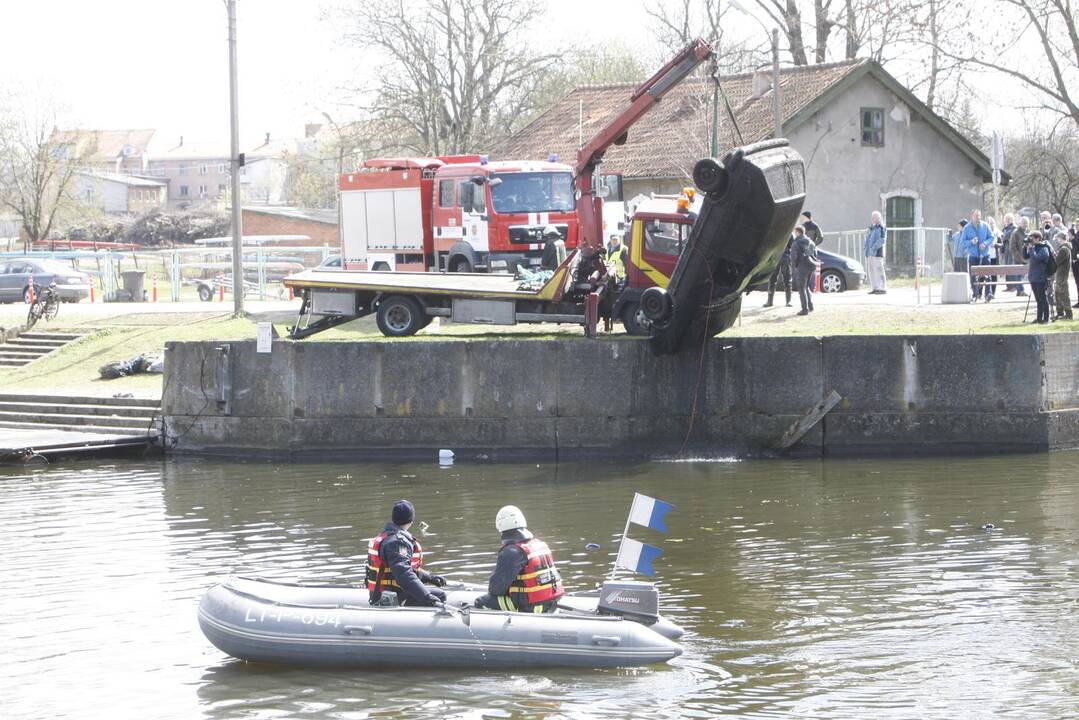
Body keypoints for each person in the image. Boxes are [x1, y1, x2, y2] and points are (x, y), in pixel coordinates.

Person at [473, 505, 564, 614]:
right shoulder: (539, 545)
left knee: (481, 602)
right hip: (552, 602)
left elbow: (495, 589)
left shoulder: (512, 551)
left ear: (500, 526)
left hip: (531, 606)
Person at [366, 500, 447, 607]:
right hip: (391, 597)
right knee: (440, 595)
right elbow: (403, 574)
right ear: (411, 521)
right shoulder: (397, 542)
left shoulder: (387, 536)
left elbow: (400, 568)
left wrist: (429, 577)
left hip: (382, 593)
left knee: (433, 594)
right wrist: (426, 596)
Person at [958, 209, 994, 302]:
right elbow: (962, 243)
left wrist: (985, 243)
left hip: (985, 255)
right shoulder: (967, 228)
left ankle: (988, 294)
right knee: (974, 276)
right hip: (973, 256)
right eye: (976, 216)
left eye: (979, 216)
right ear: (972, 216)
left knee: (987, 275)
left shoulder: (985, 225)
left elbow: (991, 237)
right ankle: (976, 294)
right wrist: (971, 242)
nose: (978, 218)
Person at [1023, 231, 1053, 324]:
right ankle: (1039, 318)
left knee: (1043, 298)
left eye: (1032, 238)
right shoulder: (1034, 248)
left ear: (1038, 238)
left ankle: (1046, 318)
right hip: (1033, 276)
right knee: (1038, 299)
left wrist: (1031, 249)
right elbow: (1025, 256)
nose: (1031, 240)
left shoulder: (1044, 248)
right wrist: (1025, 247)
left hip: (1040, 277)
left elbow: (1037, 258)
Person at [791, 226, 820, 315]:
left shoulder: (795, 243)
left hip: (801, 267)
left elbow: (794, 257)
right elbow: (815, 254)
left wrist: (794, 267)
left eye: (795, 232)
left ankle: (804, 309)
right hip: (811, 266)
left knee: (801, 288)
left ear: (797, 232)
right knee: (806, 286)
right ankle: (810, 306)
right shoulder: (810, 241)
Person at [764, 234, 793, 307]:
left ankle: (788, 301)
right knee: (772, 279)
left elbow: (791, 245)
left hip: (783, 257)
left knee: (787, 279)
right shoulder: (776, 231)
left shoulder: (789, 233)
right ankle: (770, 301)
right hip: (775, 257)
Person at [864, 210, 887, 294]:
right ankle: (875, 288)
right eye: (872, 217)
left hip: (877, 253)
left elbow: (882, 240)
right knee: (872, 270)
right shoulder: (871, 228)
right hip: (870, 253)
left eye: (874, 217)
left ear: (879, 218)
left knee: (879, 270)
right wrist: (866, 249)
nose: (872, 219)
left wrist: (873, 248)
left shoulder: (881, 227)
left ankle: (882, 288)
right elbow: (867, 239)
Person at [1007, 216, 1029, 296]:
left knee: (1022, 275)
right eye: (1023, 223)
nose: (1025, 224)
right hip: (1018, 258)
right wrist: (1019, 257)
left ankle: (1020, 291)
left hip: (1026, 258)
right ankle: (1021, 290)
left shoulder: (1028, 233)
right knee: (1019, 274)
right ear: (1020, 223)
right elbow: (1012, 247)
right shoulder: (1015, 232)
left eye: (1026, 223)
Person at [1055, 239, 1072, 320]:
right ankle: (1060, 313)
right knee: (1058, 294)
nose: (1057, 241)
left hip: (1062, 275)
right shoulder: (1062, 248)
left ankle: (1068, 314)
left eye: (1058, 239)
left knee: (1063, 294)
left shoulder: (1064, 249)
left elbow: (1057, 261)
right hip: (1059, 274)